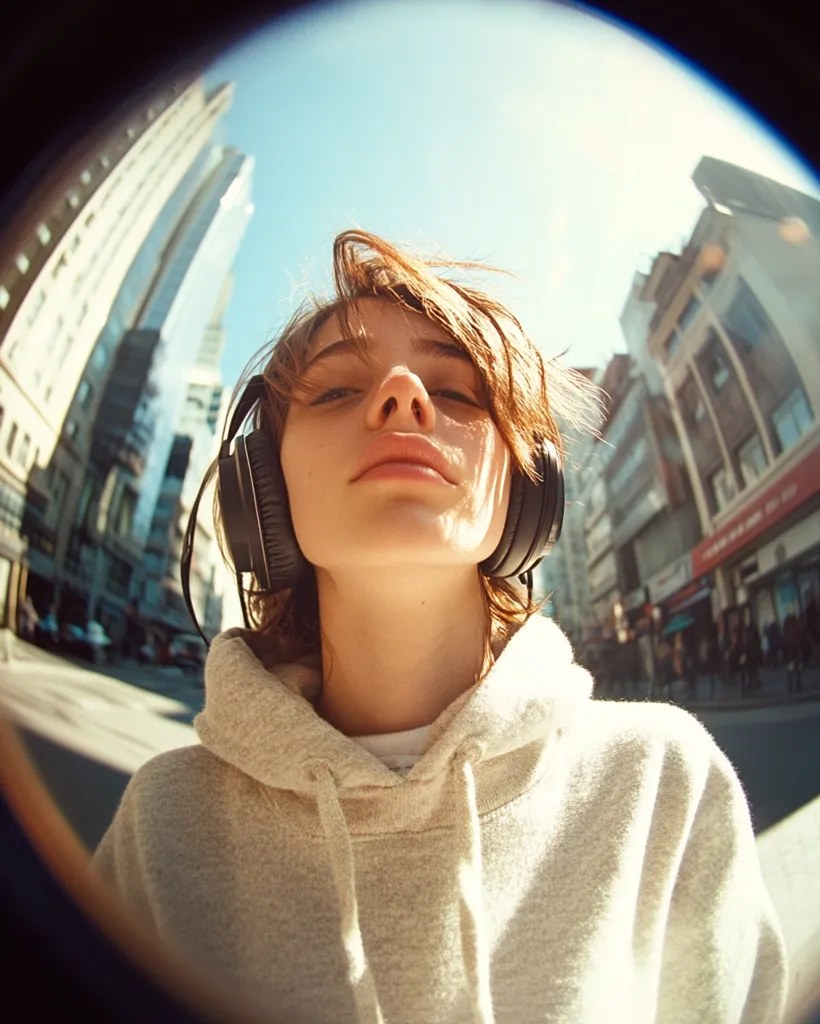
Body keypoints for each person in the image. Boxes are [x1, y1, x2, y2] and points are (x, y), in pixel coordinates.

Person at [93, 231, 786, 1024]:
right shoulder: (161, 826)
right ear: (264, 492)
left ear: (526, 498)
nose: (400, 395)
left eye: (456, 393)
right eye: (333, 392)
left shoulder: (664, 781)